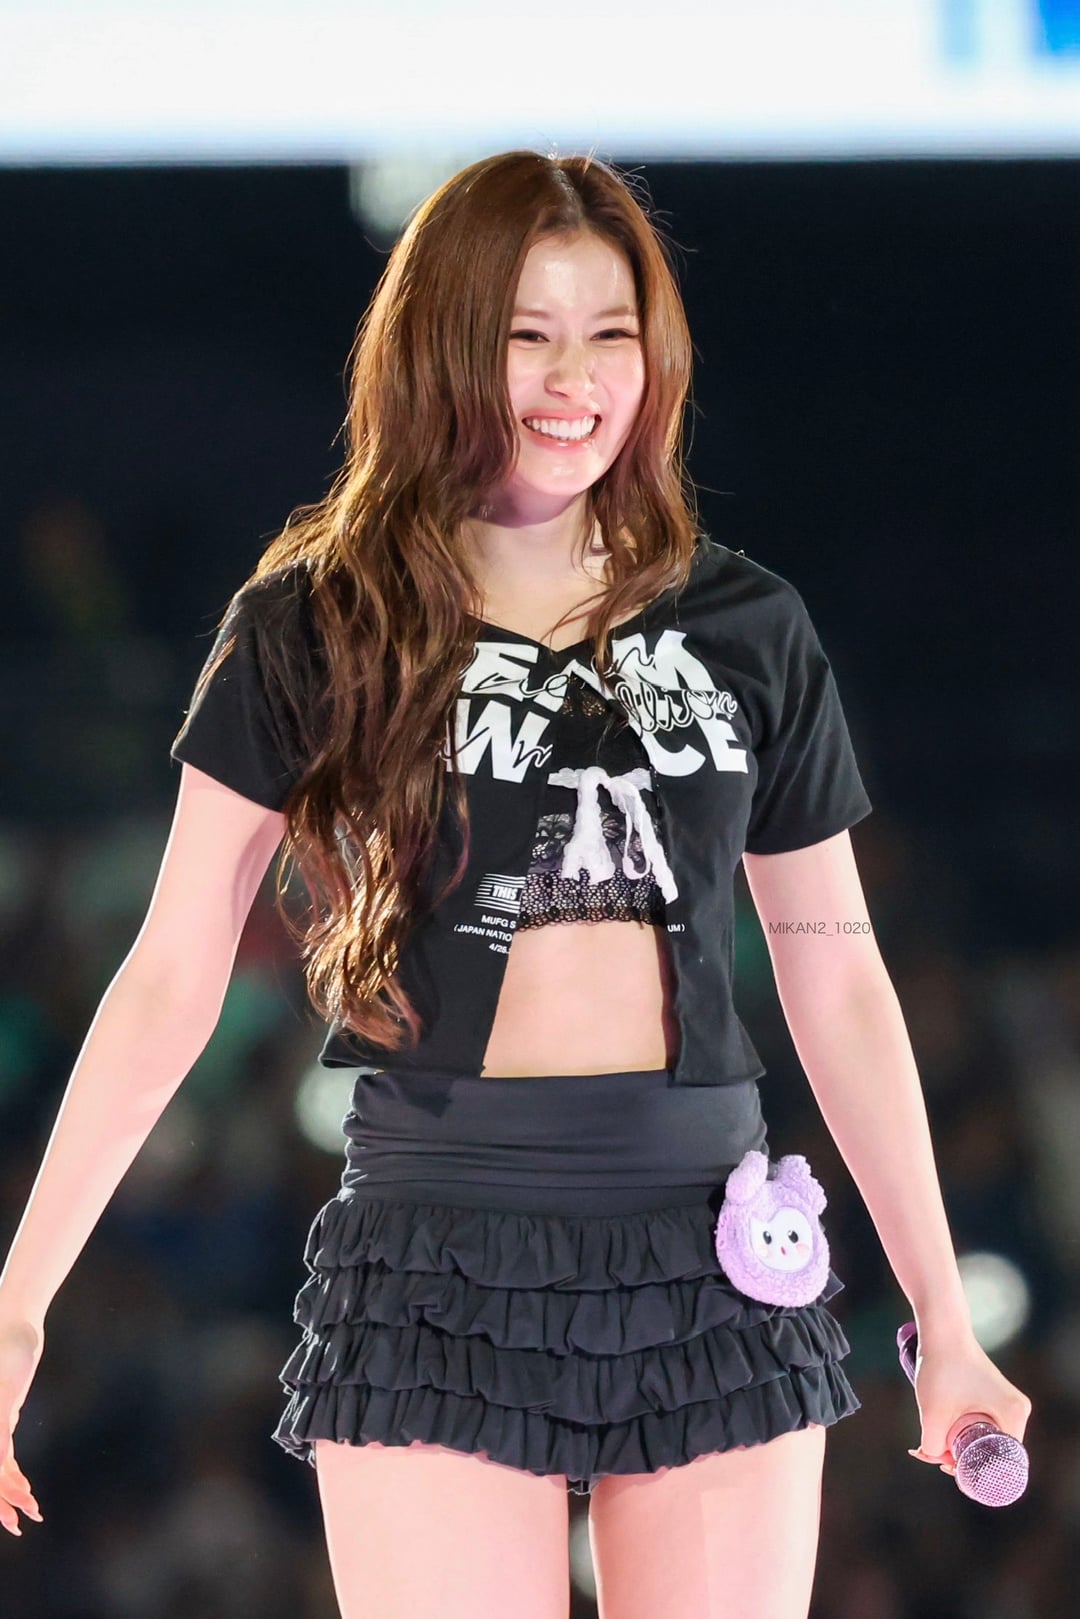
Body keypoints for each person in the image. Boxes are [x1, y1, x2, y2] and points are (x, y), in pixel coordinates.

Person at [0, 150, 1031, 1619]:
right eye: (525, 332)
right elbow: (172, 971)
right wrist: (18, 1299)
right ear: (442, 344)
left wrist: (940, 1308)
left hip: (715, 1251)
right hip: (435, 1247)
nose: (572, 378)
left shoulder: (748, 624)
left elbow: (836, 970)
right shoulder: (321, 618)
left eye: (609, 333)